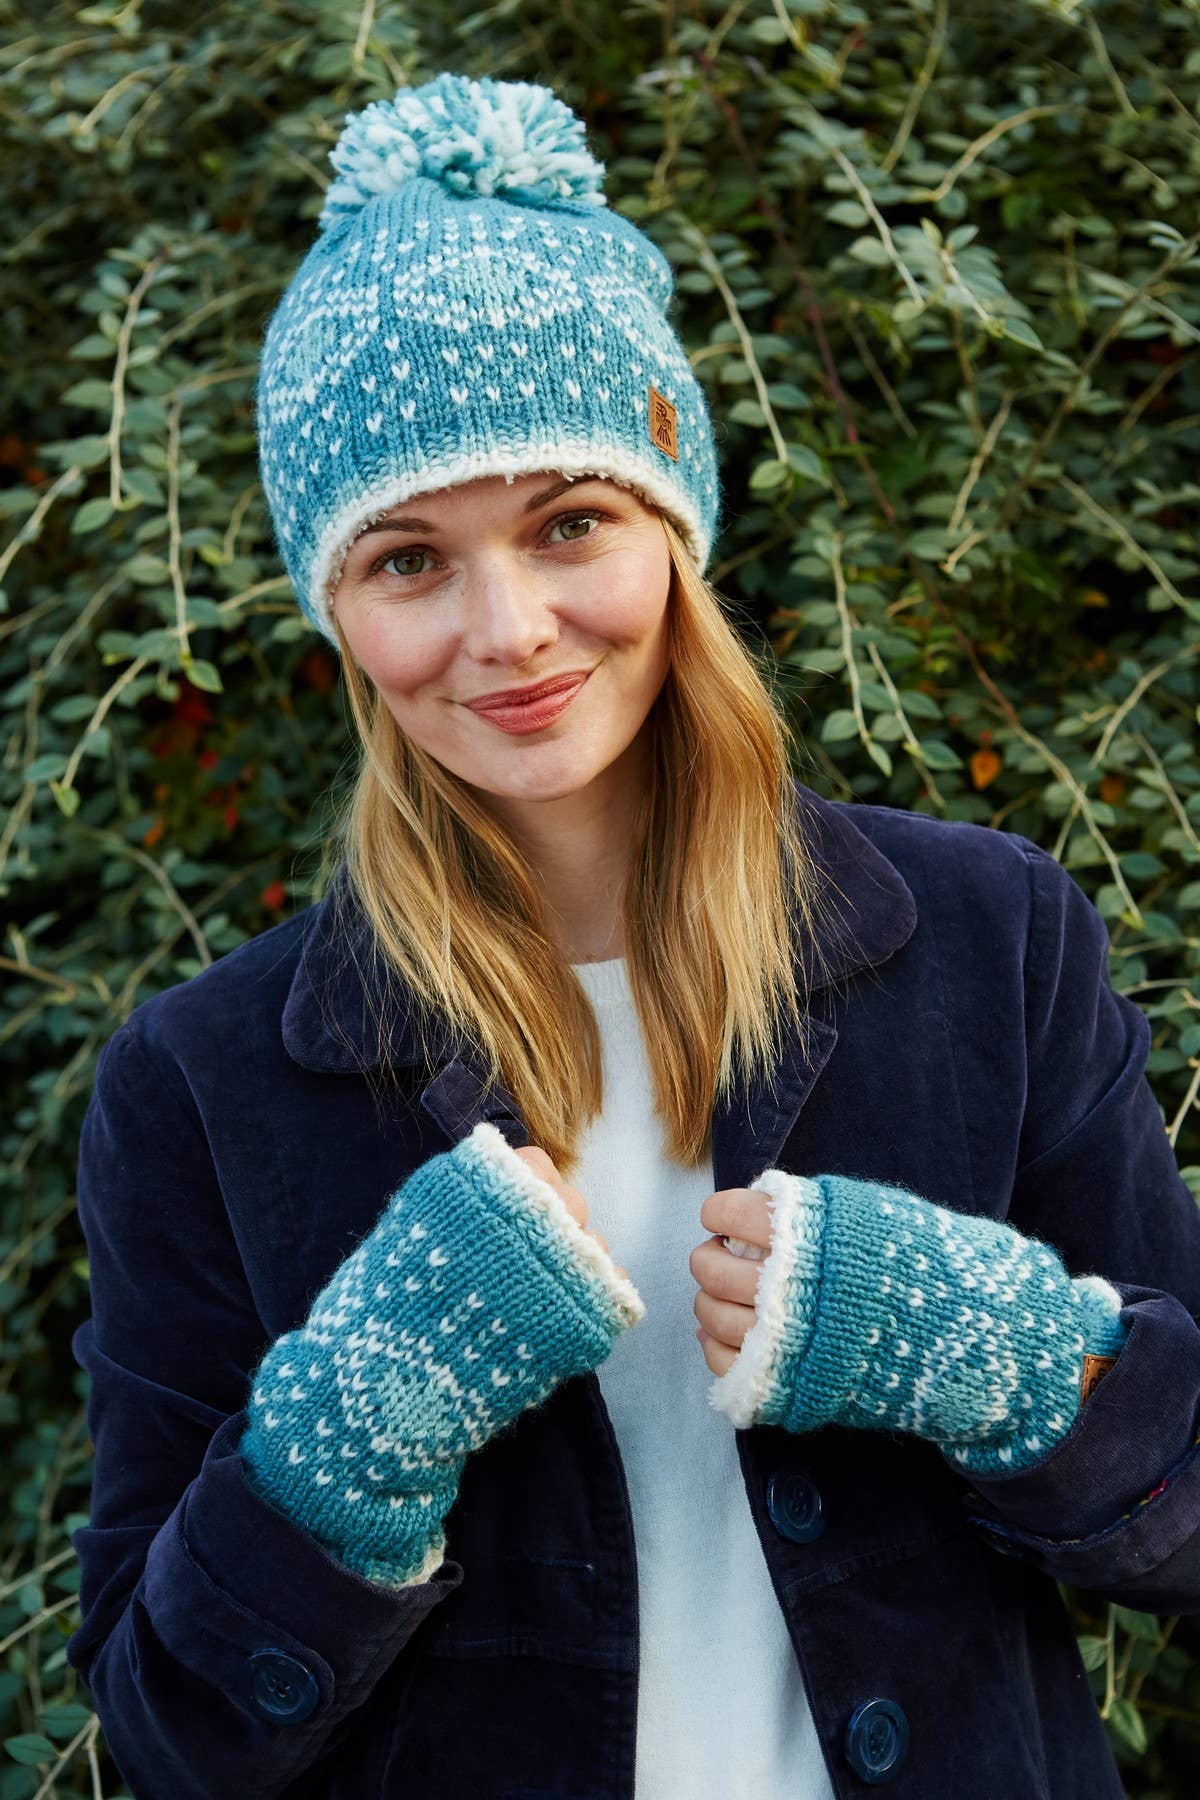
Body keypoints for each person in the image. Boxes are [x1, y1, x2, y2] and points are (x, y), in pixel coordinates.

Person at [65, 70, 1200, 1800]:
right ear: (337, 609)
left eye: (569, 523)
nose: (510, 628)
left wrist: (1005, 1355)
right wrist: (352, 1432)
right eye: (408, 560)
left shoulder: (993, 944)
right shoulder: (202, 1086)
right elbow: (169, 1732)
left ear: (674, 529)